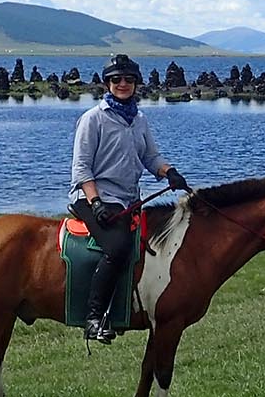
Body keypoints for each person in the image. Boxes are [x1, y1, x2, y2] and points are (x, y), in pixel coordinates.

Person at [69, 54, 190, 344]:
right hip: (91, 197)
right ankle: (94, 318)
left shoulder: (139, 119)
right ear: (107, 83)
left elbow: (150, 156)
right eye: (116, 79)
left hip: (126, 200)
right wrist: (95, 203)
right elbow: (81, 168)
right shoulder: (92, 119)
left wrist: (168, 171)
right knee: (118, 246)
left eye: (128, 79)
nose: (122, 84)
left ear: (136, 83)